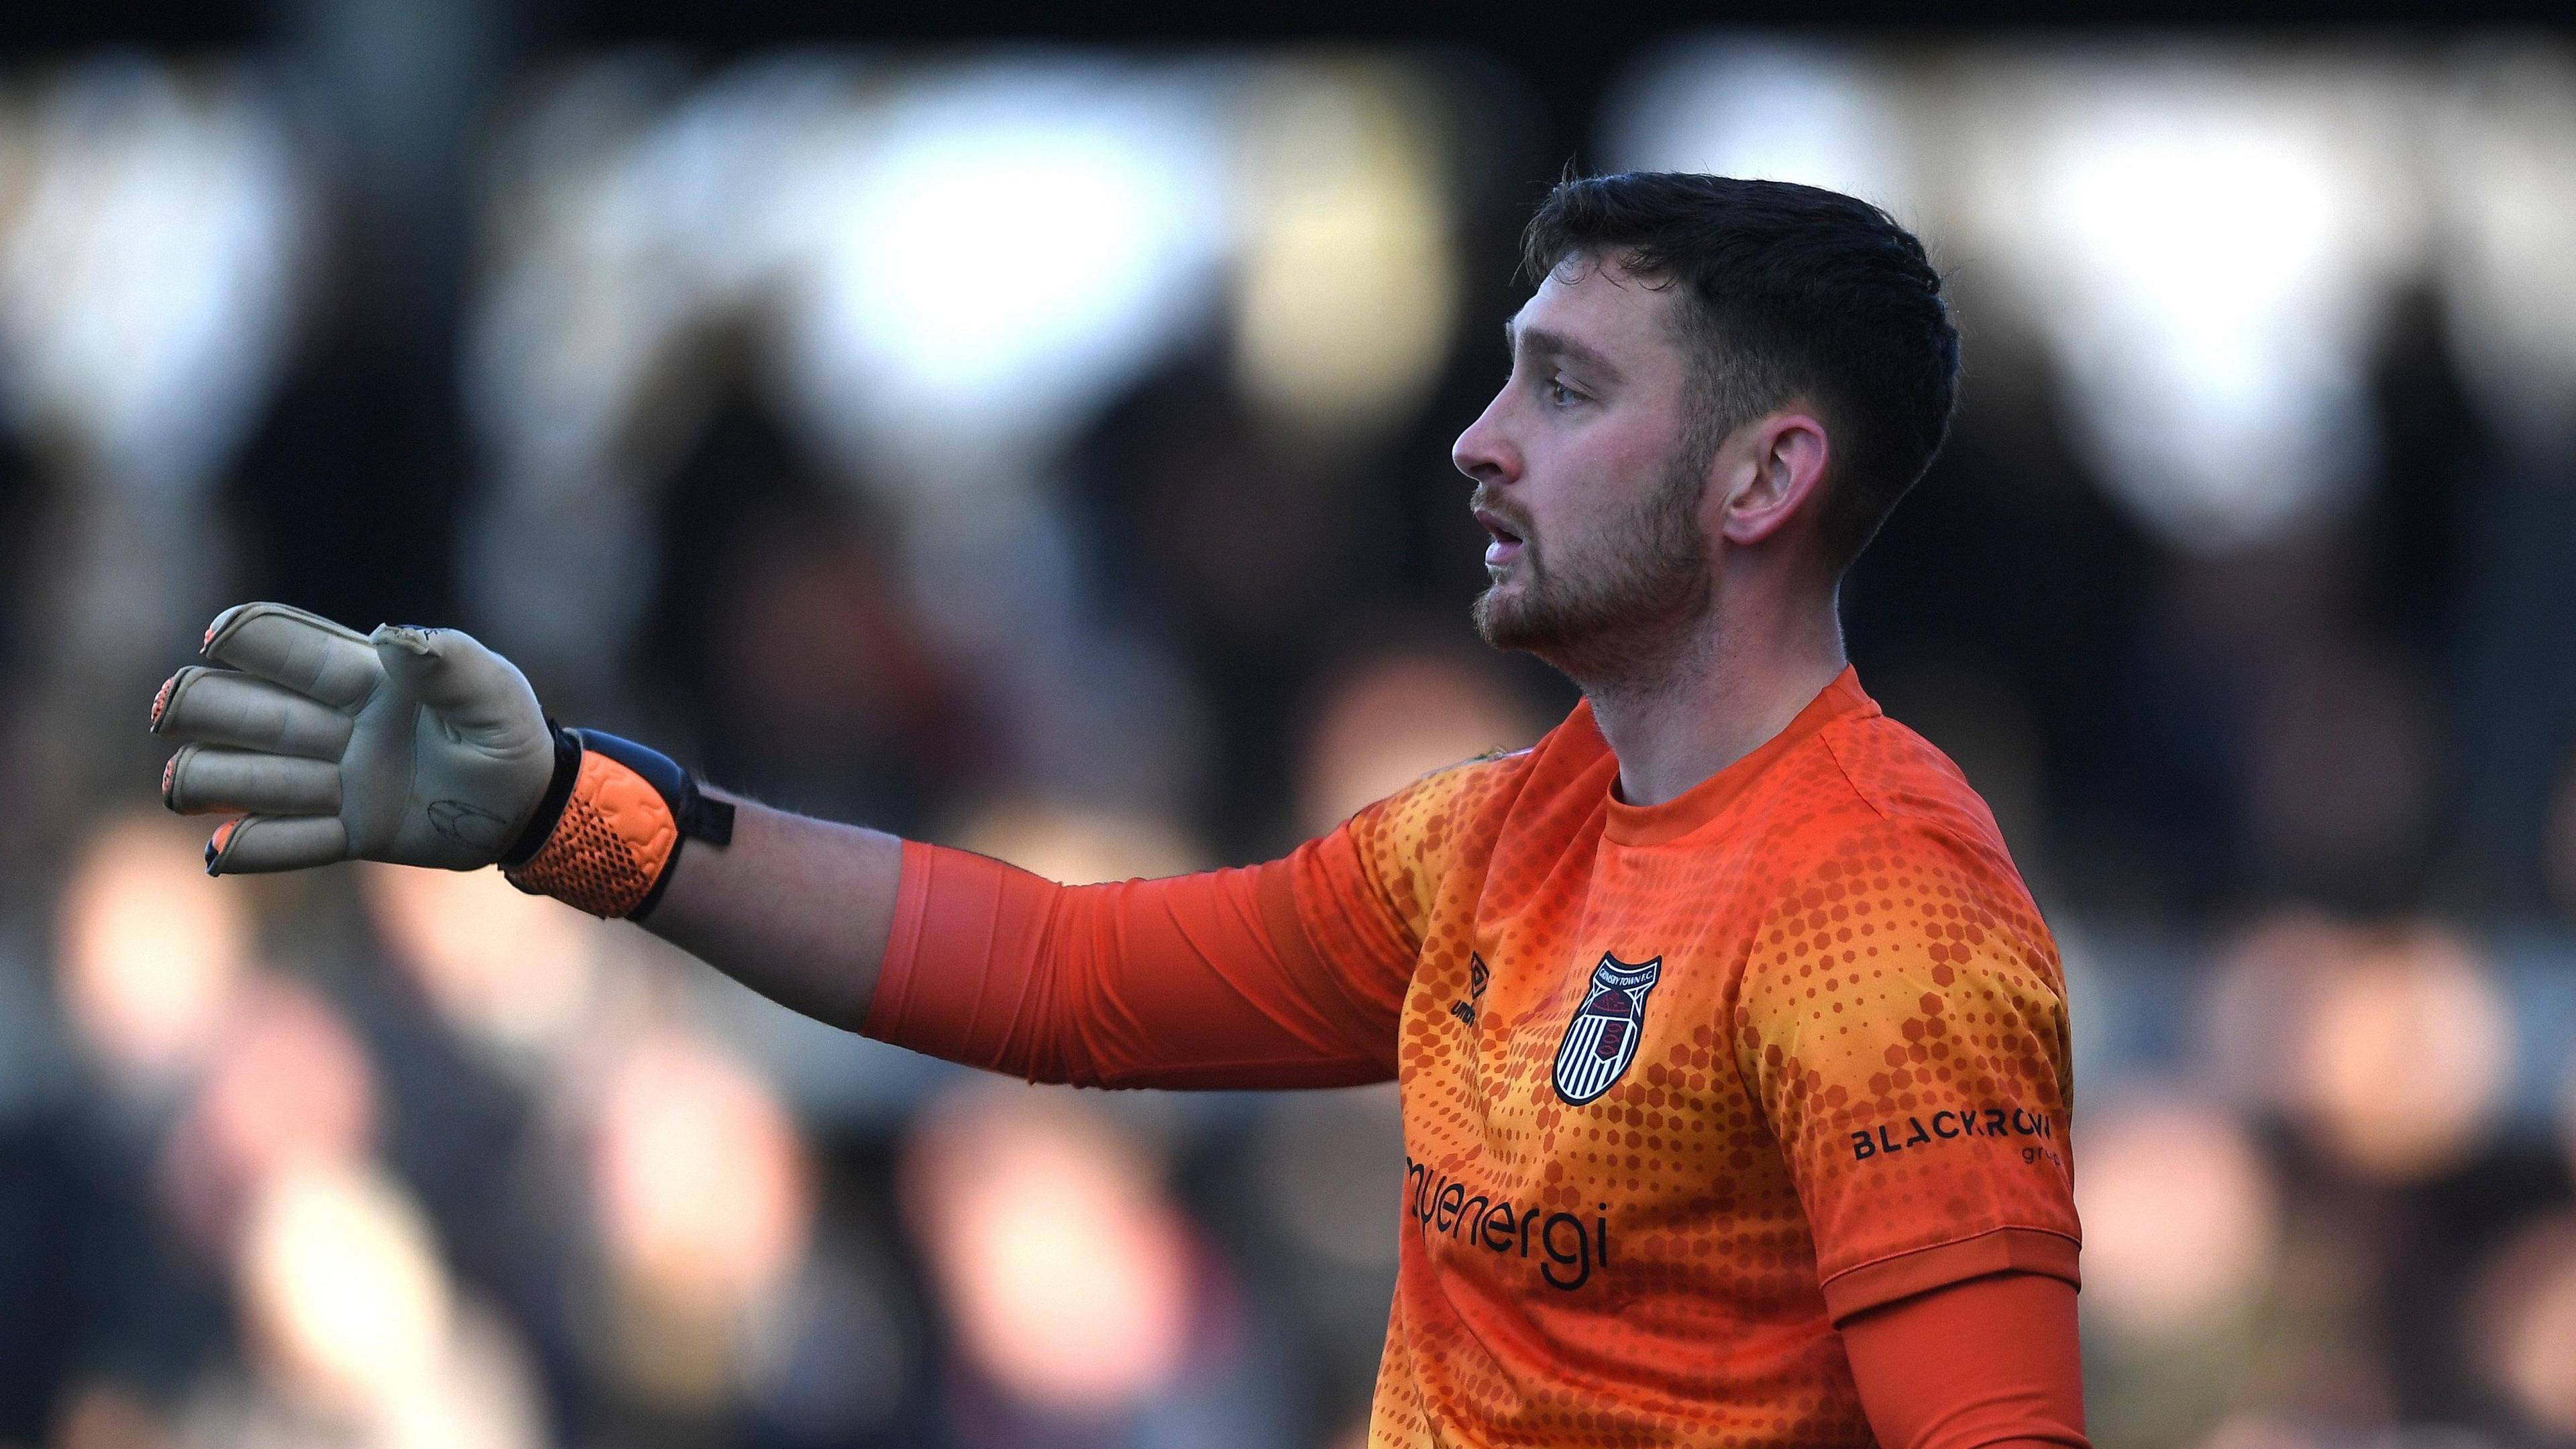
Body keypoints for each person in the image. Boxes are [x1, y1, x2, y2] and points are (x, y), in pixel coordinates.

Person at [151, 172, 2085, 1448]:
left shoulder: (1878, 909)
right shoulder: (1501, 841)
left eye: (1566, 392)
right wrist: (570, 815)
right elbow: (1065, 977)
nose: (1477, 440)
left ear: (1765, 479)